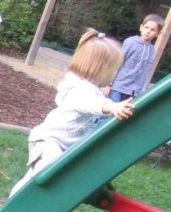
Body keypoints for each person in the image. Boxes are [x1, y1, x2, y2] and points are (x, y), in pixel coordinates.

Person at [10, 29, 135, 196]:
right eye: (113, 69)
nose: (114, 75)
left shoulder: (89, 87)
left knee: (53, 170)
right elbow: (89, 103)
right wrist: (112, 107)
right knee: (46, 169)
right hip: (49, 140)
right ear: (100, 68)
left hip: (67, 145)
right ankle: (17, 201)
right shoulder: (78, 88)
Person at [106, 14, 164, 101]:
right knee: (110, 112)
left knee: (124, 113)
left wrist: (143, 90)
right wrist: (108, 83)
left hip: (134, 91)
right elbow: (117, 62)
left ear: (158, 34)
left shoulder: (151, 50)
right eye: (146, 27)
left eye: (152, 30)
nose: (148, 31)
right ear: (141, 27)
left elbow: (145, 71)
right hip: (118, 86)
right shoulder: (131, 42)